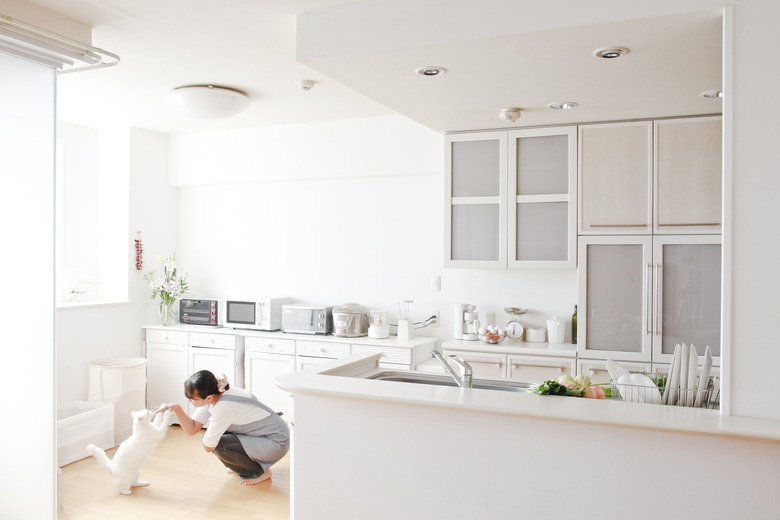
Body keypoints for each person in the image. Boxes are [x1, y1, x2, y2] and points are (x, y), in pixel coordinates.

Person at [156, 370, 290, 486]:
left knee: (220, 444)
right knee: (220, 435)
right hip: (265, 435)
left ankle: (258, 472)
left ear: (208, 397)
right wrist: (177, 409)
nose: (190, 401)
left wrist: (214, 430)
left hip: (276, 442)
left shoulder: (223, 407)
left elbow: (208, 446)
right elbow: (192, 429)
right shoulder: (215, 393)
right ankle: (243, 465)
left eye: (193, 399)